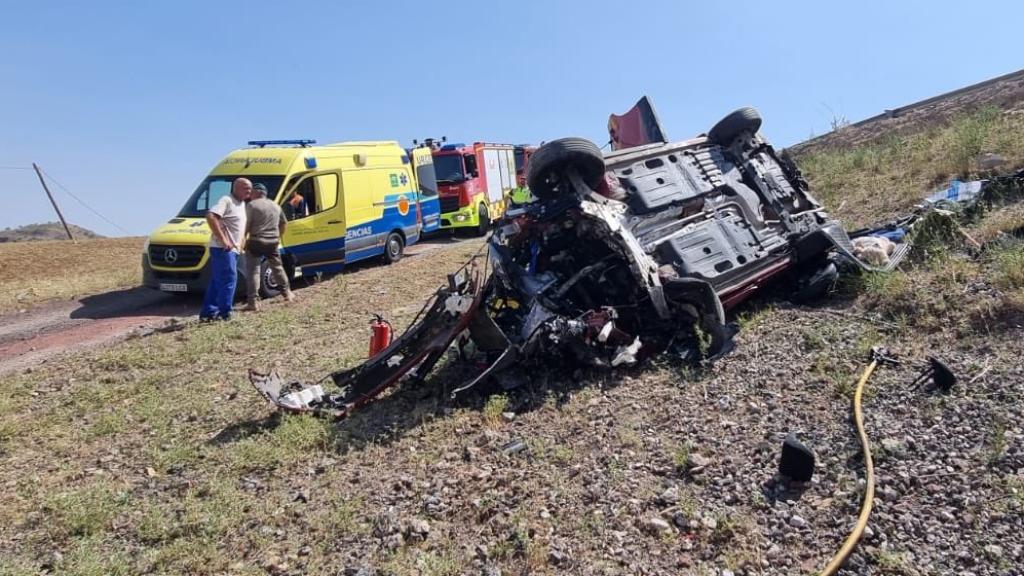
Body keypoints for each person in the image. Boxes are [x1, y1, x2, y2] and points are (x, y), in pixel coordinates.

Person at [199, 178, 250, 321]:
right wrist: (223, 239)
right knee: (229, 279)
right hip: (223, 249)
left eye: (250, 188)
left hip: (234, 249)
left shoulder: (242, 204)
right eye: (246, 188)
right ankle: (225, 313)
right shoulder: (226, 200)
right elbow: (211, 216)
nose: (249, 191)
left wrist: (242, 241)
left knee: (218, 280)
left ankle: (208, 313)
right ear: (236, 188)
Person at [242, 182, 293, 310]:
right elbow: (284, 223)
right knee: (277, 267)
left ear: (257, 192)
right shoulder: (275, 205)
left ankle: (253, 302)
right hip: (273, 241)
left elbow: (247, 224)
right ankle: (287, 293)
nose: (249, 195)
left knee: (254, 271)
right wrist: (278, 237)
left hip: (256, 240)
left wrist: (243, 240)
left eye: (251, 192)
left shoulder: (252, 205)